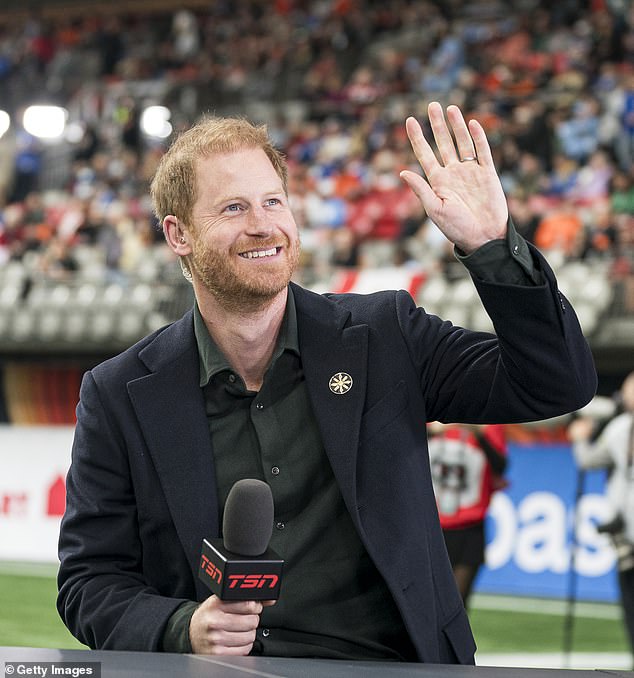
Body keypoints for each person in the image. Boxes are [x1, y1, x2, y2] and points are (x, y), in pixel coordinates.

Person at [57, 102, 597, 664]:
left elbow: (556, 383)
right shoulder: (118, 393)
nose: (263, 223)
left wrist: (493, 248)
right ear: (179, 234)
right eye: (234, 208)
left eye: (273, 201)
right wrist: (182, 627)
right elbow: (88, 581)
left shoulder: (385, 334)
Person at [568, 371, 634, 665]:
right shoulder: (621, 428)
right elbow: (590, 460)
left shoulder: (621, 427)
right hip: (626, 535)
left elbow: (589, 460)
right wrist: (581, 440)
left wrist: (581, 439)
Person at [428, 423, 507, 608]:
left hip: (469, 527)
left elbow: (500, 466)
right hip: (431, 525)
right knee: (427, 602)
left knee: (456, 604)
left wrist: (477, 433)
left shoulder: (489, 424)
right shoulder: (429, 415)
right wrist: (433, 430)